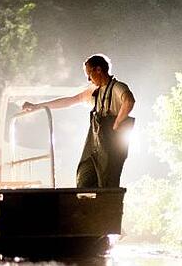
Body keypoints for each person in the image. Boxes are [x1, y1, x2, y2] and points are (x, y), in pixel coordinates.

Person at [16, 54, 135, 188]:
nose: (88, 79)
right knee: (84, 177)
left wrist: (117, 123)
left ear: (98, 70)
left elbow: (129, 101)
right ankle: (85, 200)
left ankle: (107, 201)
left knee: (107, 182)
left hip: (111, 145)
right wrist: (37, 106)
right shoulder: (94, 91)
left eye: (89, 74)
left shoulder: (117, 87)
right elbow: (69, 101)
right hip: (94, 145)